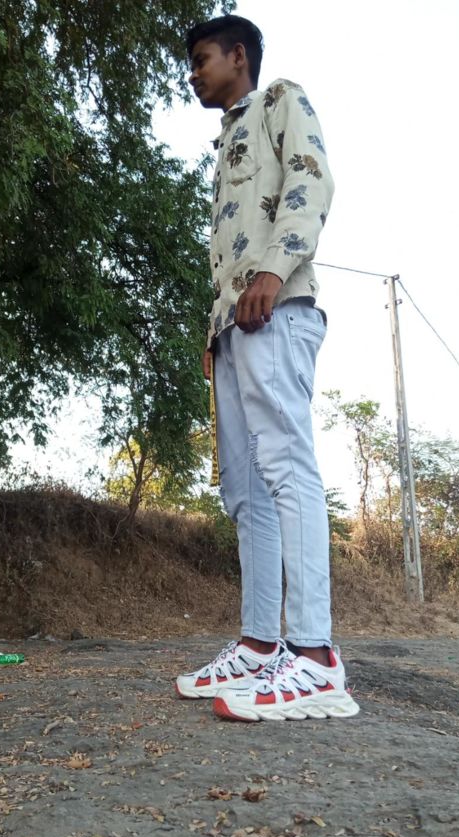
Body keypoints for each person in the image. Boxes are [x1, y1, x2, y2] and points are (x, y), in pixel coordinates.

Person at [174, 15, 359, 722]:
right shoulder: (225, 142)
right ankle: (259, 645)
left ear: (238, 56)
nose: (194, 74)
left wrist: (275, 272)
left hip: (276, 308)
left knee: (285, 466)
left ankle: (315, 656)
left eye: (202, 60)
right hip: (234, 325)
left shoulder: (281, 98)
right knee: (244, 490)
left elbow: (312, 183)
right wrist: (214, 329)